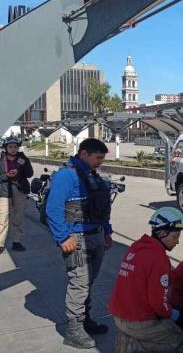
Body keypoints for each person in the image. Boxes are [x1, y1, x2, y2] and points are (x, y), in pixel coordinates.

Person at [45, 138, 112, 349]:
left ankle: (85, 319)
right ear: (84, 153)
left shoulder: (91, 175)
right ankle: (73, 330)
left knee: (89, 281)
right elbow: (53, 208)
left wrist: (107, 231)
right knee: (79, 283)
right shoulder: (67, 175)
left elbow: (100, 206)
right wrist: (63, 237)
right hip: (76, 239)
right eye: (98, 157)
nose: (100, 162)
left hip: (96, 235)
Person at [109, 207, 183, 352]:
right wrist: (176, 315)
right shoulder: (159, 258)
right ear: (162, 233)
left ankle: (129, 340)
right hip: (138, 321)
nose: (177, 242)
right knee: (180, 338)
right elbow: (158, 303)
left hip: (119, 314)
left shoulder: (137, 247)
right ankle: (134, 345)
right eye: (175, 236)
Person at [0, 137, 33, 253]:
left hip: (20, 191)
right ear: (6, 147)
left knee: (18, 218)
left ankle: (16, 241)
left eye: (15, 147)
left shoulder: (23, 158)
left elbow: (30, 174)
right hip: (4, 191)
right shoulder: (1, 159)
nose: (13, 149)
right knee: (2, 219)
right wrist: (6, 176)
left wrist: (22, 168)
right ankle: (0, 244)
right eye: (10, 147)